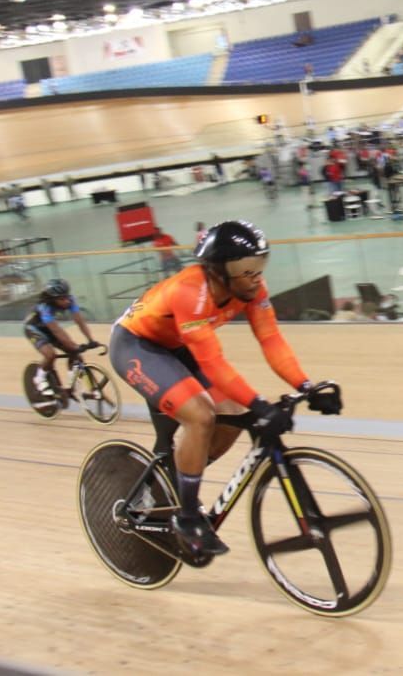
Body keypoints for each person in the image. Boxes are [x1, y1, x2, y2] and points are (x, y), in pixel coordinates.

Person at [111, 221, 330, 558]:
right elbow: (213, 363)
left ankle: (178, 475)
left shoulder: (252, 289)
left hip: (179, 344)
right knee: (200, 416)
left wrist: (306, 385)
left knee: (233, 417)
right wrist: (260, 404)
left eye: (260, 265)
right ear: (217, 271)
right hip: (137, 345)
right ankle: (187, 518)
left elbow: (271, 340)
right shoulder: (190, 291)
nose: (256, 276)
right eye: (246, 269)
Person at [23, 279, 100, 398]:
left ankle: (71, 386)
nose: (66, 301)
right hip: (33, 329)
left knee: (74, 354)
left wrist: (90, 340)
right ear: (52, 300)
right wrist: (73, 346)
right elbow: (57, 331)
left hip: (48, 327)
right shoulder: (45, 307)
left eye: (67, 297)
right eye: (61, 299)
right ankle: (39, 379)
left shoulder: (70, 300)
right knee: (50, 354)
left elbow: (79, 321)